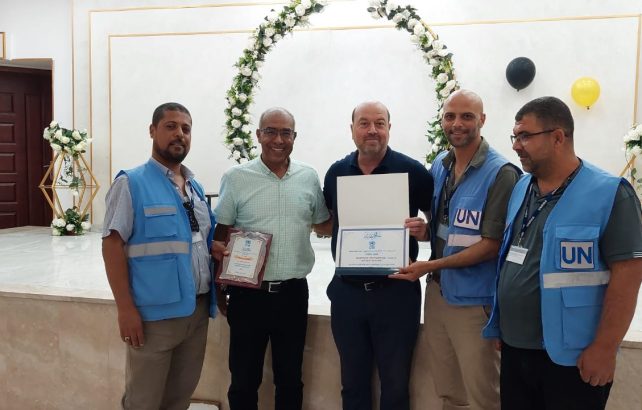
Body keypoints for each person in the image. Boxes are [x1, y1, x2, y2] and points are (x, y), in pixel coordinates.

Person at [483, 96, 642, 410]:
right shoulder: (522, 187)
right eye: (514, 136)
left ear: (558, 137)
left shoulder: (610, 193)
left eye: (525, 136)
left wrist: (605, 348)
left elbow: (629, 274)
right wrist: (503, 322)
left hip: (573, 358)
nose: (516, 146)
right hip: (516, 350)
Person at [392, 89, 520, 410]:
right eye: (450, 116)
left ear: (482, 120)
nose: (457, 123)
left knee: (482, 395)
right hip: (438, 295)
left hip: (475, 303)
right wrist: (424, 232)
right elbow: (444, 228)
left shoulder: (501, 173)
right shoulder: (441, 164)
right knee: (448, 390)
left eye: (467, 116)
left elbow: (491, 246)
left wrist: (428, 266)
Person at [102, 102, 218, 410]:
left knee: (179, 399)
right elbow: (112, 246)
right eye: (170, 126)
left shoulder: (195, 188)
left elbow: (197, 241)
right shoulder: (131, 183)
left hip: (196, 312)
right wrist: (125, 309)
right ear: (152, 131)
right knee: (143, 401)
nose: (179, 134)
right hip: (154, 319)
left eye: (186, 129)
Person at [213, 107, 330, 410]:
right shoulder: (236, 178)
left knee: (290, 380)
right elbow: (221, 234)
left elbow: (323, 223)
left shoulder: (308, 177)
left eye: (285, 133)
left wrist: (364, 221)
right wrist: (218, 288)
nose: (278, 139)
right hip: (247, 295)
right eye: (271, 131)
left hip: (293, 294)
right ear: (258, 135)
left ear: (294, 137)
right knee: (243, 380)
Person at [321, 101, 434, 410]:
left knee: (396, 385)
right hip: (347, 294)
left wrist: (425, 231)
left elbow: (436, 222)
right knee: (352, 383)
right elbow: (329, 221)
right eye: (364, 123)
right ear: (352, 129)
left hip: (396, 293)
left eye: (379, 123)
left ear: (389, 128)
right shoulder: (336, 173)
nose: (372, 130)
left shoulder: (413, 171)